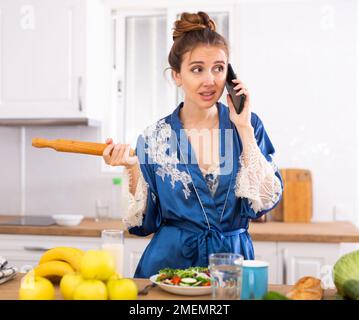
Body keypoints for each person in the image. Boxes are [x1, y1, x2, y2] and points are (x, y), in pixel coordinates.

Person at [103, 11, 283, 278]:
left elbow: (264, 202)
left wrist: (243, 126)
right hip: (168, 270)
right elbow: (143, 222)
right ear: (177, 75)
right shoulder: (154, 137)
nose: (210, 80)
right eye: (197, 69)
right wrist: (132, 168)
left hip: (230, 267)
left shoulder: (247, 125)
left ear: (230, 74)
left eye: (219, 68)